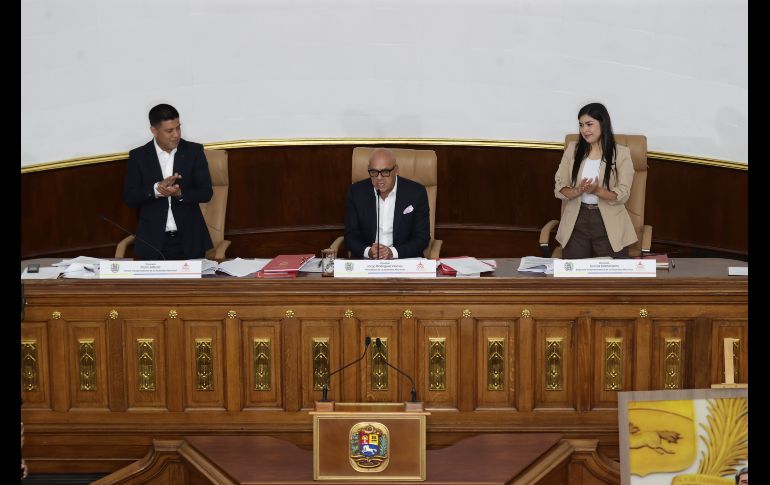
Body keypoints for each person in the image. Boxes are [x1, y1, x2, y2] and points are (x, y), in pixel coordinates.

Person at [123, 104, 213, 260]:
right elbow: (130, 197)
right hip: (153, 242)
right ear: (154, 130)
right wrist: (156, 190)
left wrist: (179, 193)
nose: (176, 135)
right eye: (169, 131)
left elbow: (206, 192)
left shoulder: (194, 151)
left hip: (190, 240)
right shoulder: (139, 156)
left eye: (178, 128)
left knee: (192, 286)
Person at [553, 102, 637, 258]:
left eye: (589, 124)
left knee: (609, 277)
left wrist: (597, 191)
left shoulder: (621, 153)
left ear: (603, 123)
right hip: (577, 220)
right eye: (581, 125)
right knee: (574, 276)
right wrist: (579, 190)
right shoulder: (573, 149)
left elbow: (623, 194)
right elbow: (559, 186)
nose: (584, 130)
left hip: (608, 223)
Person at [344, 148, 430, 259]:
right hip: (368, 262)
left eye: (385, 172)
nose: (379, 178)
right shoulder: (356, 192)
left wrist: (392, 252)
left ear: (396, 170)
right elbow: (350, 236)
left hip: (403, 259)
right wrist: (368, 251)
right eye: (374, 172)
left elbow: (422, 237)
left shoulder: (416, 193)